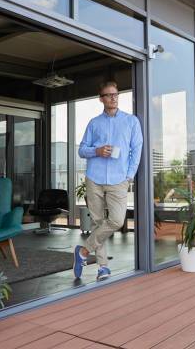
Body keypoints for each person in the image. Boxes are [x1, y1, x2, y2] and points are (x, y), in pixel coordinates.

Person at [73, 80, 143, 280]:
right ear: (101, 99)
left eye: (115, 94)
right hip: (94, 177)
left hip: (118, 179)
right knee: (97, 222)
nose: (113, 98)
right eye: (109, 95)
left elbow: (136, 151)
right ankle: (102, 267)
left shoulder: (131, 121)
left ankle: (83, 252)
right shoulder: (94, 123)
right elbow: (81, 150)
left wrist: (129, 175)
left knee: (117, 220)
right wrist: (97, 150)